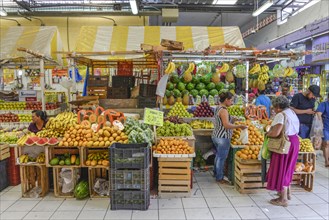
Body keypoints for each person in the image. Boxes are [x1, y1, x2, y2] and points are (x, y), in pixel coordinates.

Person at [266, 96, 300, 207]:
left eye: (274, 107)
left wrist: (266, 133)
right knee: (288, 168)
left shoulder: (281, 115)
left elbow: (276, 133)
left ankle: (283, 199)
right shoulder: (291, 112)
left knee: (282, 168)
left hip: (284, 144)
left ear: (278, 107)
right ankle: (287, 194)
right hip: (294, 141)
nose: (274, 109)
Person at [212, 92, 247, 184]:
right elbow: (226, 125)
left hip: (216, 135)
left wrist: (232, 119)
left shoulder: (218, 108)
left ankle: (216, 173)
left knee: (218, 156)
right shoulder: (224, 110)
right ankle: (219, 177)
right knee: (221, 158)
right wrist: (239, 126)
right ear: (226, 100)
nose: (231, 102)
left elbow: (222, 121)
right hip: (223, 137)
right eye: (231, 100)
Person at [316, 93, 329, 167]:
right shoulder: (324, 104)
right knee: (326, 143)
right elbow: (318, 113)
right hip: (326, 127)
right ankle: (327, 161)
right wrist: (320, 124)